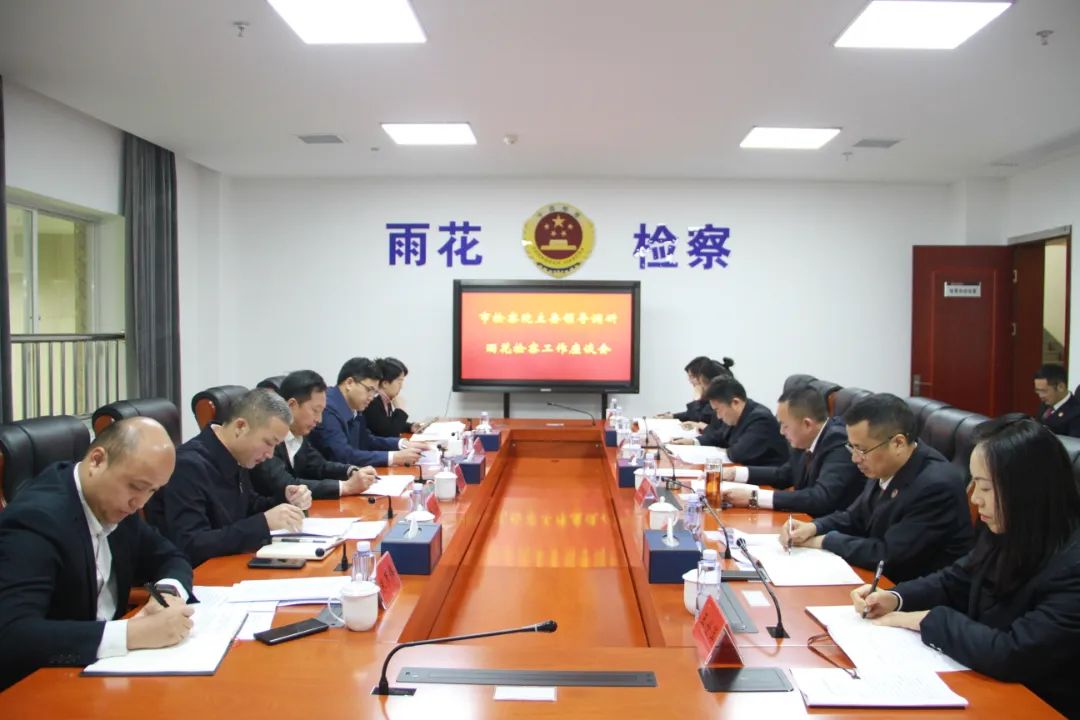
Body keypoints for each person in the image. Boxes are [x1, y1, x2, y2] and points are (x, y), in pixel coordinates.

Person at [852, 416, 1080, 718]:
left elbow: (1013, 652)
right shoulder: (1007, 528)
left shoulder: (1072, 565)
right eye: (973, 483)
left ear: (1026, 490)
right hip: (985, 685)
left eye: (985, 487)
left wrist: (926, 620)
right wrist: (895, 597)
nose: (974, 498)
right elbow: (955, 579)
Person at [0, 418, 195, 691]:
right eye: (137, 486)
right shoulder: (36, 520)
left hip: (108, 675)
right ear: (97, 460)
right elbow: (13, 635)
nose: (140, 502)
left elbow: (171, 557)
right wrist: (132, 634)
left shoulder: (116, 503)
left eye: (153, 490)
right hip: (43, 686)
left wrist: (167, 593)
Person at [781, 393, 973, 582]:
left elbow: (887, 554)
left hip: (910, 590)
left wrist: (825, 541)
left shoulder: (935, 486)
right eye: (852, 447)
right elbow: (855, 517)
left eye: (862, 449)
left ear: (898, 443)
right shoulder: (885, 463)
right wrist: (814, 527)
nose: (855, 458)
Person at [145, 389, 311, 566]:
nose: (270, 454)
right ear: (240, 427)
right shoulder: (188, 466)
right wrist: (263, 523)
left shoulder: (236, 454)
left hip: (230, 563)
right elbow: (191, 544)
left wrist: (285, 500)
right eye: (268, 443)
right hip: (200, 573)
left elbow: (247, 506)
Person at [722, 384, 864, 516]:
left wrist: (754, 497)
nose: (781, 432)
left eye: (785, 425)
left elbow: (820, 498)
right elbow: (783, 475)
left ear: (807, 424)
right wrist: (734, 473)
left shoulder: (839, 441)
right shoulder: (804, 440)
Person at [251, 370, 378, 500]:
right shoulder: (269, 440)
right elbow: (287, 485)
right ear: (292, 405)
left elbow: (320, 466)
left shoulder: (299, 434)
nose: (319, 420)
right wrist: (345, 487)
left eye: (322, 412)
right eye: (315, 411)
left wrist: (350, 471)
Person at [308, 357, 425, 468]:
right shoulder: (328, 408)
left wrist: (402, 444)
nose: (371, 397)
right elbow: (342, 455)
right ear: (349, 383)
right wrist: (394, 457)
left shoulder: (354, 406)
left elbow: (366, 440)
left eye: (374, 392)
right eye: (369, 390)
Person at [673, 377, 788, 466]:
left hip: (767, 483)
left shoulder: (760, 419)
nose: (718, 416)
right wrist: (693, 442)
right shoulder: (738, 413)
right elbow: (719, 437)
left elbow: (737, 453)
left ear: (735, 403)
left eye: (718, 410)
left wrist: (720, 450)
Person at [364, 357, 424, 436]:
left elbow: (387, 425)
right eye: (399, 382)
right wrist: (400, 410)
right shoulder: (371, 403)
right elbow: (389, 433)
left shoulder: (385, 400)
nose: (401, 387)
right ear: (385, 383)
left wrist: (410, 427)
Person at [1033, 363, 1080, 437]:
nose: (1040, 396)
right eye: (1038, 391)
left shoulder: (1076, 412)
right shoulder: (1046, 404)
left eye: (1044, 391)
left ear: (1061, 387)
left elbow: (1073, 442)